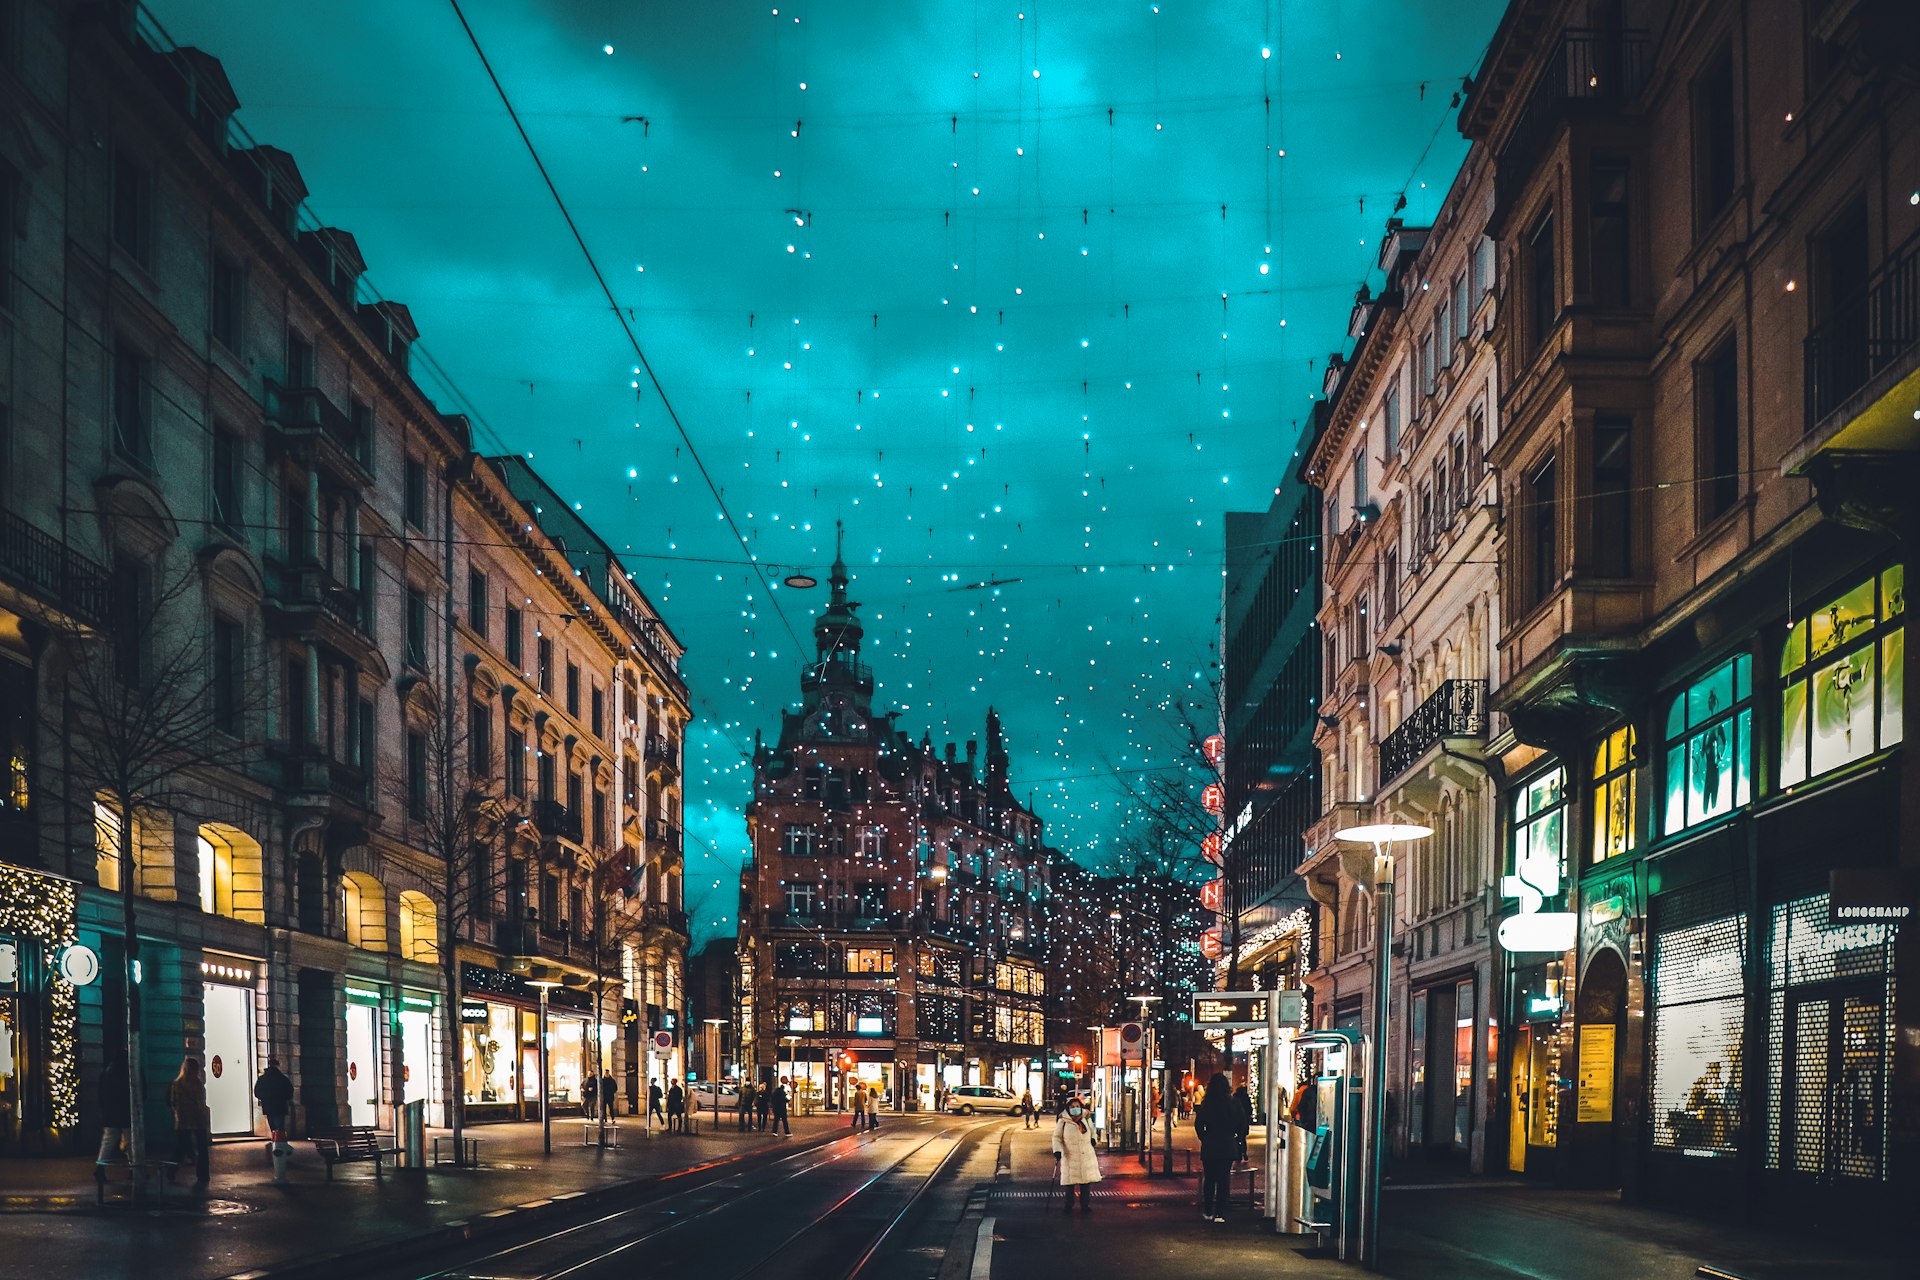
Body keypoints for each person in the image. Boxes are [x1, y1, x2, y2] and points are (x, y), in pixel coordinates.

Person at [1193, 1073, 1237, 1223]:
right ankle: (1219, 1212)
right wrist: (1235, 1135)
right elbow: (1241, 1122)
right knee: (1224, 1179)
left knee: (1210, 1178)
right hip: (1227, 1144)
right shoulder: (1232, 1103)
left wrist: (1204, 1137)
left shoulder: (1207, 1105)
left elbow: (1199, 1124)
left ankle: (1207, 1210)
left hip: (1210, 1145)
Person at [1051, 1094, 1101, 1213]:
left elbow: (1093, 1131)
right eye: (1073, 1106)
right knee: (1070, 1183)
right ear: (1068, 1108)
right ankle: (1069, 1205)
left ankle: (1085, 1205)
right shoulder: (1063, 1120)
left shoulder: (1086, 1118)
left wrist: (1094, 1139)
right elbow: (1056, 1137)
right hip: (1070, 1155)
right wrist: (1057, 1150)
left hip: (1086, 1154)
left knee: (1085, 1182)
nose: (1075, 1108)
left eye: (1077, 1106)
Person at [168, 1056, 212, 1188]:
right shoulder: (198, 1084)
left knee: (180, 1148)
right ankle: (203, 1174)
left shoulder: (177, 1084)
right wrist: (205, 1116)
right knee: (202, 1148)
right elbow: (200, 1103)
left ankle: (170, 1172)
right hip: (197, 1119)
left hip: (182, 1119)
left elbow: (173, 1102)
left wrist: (177, 1114)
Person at [94, 1050, 132, 1195]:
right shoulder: (130, 1071)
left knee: (108, 1142)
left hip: (110, 1115)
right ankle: (134, 1169)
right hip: (127, 1113)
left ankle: (100, 1168)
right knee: (130, 1142)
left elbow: (101, 1094)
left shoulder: (107, 1073)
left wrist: (104, 1110)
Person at [254, 1058, 295, 1148]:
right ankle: (280, 1144)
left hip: (268, 1106)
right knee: (280, 1126)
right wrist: (284, 1098)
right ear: (277, 1066)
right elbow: (290, 1091)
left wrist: (265, 1098)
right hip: (280, 1106)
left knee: (272, 1125)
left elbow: (257, 1092)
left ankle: (275, 1142)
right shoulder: (282, 1078)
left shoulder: (263, 1079)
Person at [1232, 1083, 1254, 1166]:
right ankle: (1244, 1153)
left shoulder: (1235, 1098)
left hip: (1236, 1121)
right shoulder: (1246, 1098)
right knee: (1243, 1138)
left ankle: (1238, 1154)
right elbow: (1250, 1109)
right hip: (1244, 1121)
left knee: (1237, 1138)